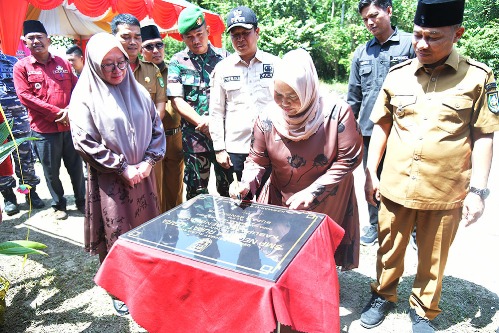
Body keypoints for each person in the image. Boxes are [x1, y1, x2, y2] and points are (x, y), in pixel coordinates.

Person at [361, 0, 499, 331]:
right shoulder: (399, 74)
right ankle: (383, 293)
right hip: (395, 183)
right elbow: (381, 124)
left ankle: (424, 308)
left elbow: (484, 135)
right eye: (419, 35)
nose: (422, 44)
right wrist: (370, 170)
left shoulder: (478, 77)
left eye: (433, 37)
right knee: (388, 247)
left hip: (444, 188)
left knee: (433, 254)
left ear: (457, 33)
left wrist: (478, 191)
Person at [230, 48, 363, 270]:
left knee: (317, 255)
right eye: (278, 95)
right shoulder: (268, 118)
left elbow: (348, 159)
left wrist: (314, 191)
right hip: (283, 192)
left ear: (308, 89)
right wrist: (245, 185)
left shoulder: (337, 113)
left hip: (326, 196)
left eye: (293, 96)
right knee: (282, 254)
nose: (284, 103)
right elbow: (257, 161)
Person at [68, 32, 166, 314]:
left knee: (147, 229)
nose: (116, 70)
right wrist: (122, 167)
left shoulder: (138, 91)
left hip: (144, 178)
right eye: (107, 64)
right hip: (110, 180)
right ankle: (120, 288)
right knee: (117, 233)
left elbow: (156, 130)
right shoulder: (85, 96)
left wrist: (148, 162)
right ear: (95, 66)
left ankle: (147, 277)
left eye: (120, 62)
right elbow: (83, 141)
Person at [347, 0, 414, 246]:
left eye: (374, 15)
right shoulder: (362, 52)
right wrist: (347, 130)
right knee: (371, 175)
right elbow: (353, 96)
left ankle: (413, 228)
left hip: (404, 128)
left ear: (389, 10)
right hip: (369, 129)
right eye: (365, 19)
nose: (370, 22)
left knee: (408, 177)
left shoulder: (411, 44)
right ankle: (375, 225)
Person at [13, 20, 85, 220]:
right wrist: (56, 112)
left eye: (40, 37)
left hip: (70, 126)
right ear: (25, 43)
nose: (36, 41)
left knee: (76, 168)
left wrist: (69, 110)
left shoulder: (63, 63)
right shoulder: (21, 67)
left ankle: (81, 201)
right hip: (44, 130)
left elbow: (77, 88)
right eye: (31, 38)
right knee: (51, 172)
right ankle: (59, 204)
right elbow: (25, 96)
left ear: (49, 40)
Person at [209, 6, 279, 188]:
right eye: (234, 35)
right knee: (238, 205)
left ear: (257, 32)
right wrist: (219, 148)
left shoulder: (276, 65)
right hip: (236, 150)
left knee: (270, 203)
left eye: (245, 33)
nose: (240, 39)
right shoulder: (222, 69)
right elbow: (216, 112)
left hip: (271, 147)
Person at [167, 6, 231, 200]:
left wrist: (214, 125)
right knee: (196, 193)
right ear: (183, 38)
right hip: (194, 139)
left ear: (208, 31)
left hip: (225, 136)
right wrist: (203, 124)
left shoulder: (226, 58)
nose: (195, 40)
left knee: (229, 189)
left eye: (199, 34)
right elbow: (177, 100)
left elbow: (235, 98)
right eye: (189, 37)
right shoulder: (177, 62)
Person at [141, 24, 184, 212]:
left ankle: (173, 233)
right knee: (154, 191)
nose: (156, 50)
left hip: (176, 138)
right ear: (141, 49)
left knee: (175, 189)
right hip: (152, 140)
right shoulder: (136, 74)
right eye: (149, 46)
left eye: (159, 45)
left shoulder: (175, 70)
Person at [0, 39, 44, 215]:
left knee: (25, 157)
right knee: (1, 160)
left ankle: (31, 192)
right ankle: (8, 196)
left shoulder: (13, 62)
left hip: (19, 118)